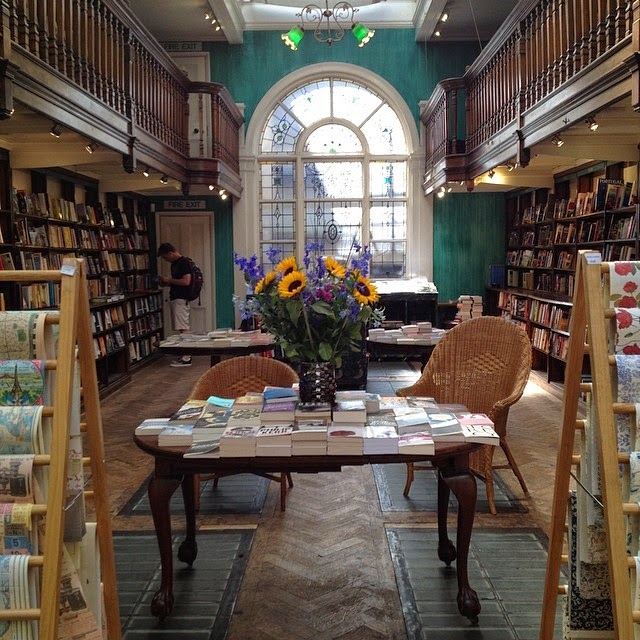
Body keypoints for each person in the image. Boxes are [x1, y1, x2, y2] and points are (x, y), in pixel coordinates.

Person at [157, 242, 193, 367]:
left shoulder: (184, 263)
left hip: (181, 298)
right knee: (181, 327)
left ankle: (187, 357)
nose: (165, 260)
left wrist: (169, 280)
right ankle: (184, 354)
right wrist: (166, 283)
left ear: (170, 253)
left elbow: (186, 281)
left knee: (184, 327)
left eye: (165, 257)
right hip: (176, 297)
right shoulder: (175, 264)